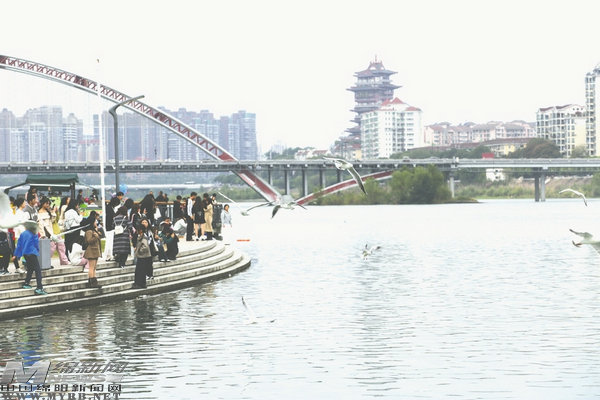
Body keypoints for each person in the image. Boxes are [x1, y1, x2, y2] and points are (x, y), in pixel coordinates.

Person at [14, 221, 47, 295]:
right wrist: (37, 250)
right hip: (32, 252)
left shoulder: (23, 234)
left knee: (30, 268)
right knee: (38, 270)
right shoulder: (34, 233)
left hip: (25, 253)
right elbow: (36, 244)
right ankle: (39, 287)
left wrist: (17, 255)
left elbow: (19, 245)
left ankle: (26, 282)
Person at [37, 197, 69, 266]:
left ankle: (63, 261)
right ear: (43, 203)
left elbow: (53, 220)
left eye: (49, 203)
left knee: (60, 246)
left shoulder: (48, 211)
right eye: (46, 203)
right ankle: (45, 262)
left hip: (52, 232)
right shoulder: (39, 213)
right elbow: (40, 225)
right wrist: (43, 234)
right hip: (46, 233)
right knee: (50, 249)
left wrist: (54, 212)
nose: (48, 205)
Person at [82, 212, 103, 289]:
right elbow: (89, 241)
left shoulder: (94, 231)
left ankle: (92, 281)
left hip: (95, 251)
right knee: (91, 267)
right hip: (91, 251)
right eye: (94, 221)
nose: (96, 223)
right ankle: (92, 282)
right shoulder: (88, 231)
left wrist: (97, 234)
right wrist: (95, 237)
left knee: (94, 267)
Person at [133, 219, 152, 289]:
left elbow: (145, 246)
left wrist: (139, 251)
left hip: (142, 256)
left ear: (140, 230)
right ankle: (142, 284)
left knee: (139, 271)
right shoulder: (142, 236)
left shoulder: (143, 237)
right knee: (142, 271)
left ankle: (139, 283)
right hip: (144, 256)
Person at [103, 196, 121, 261]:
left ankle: (109, 255)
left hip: (109, 227)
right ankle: (108, 255)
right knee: (109, 242)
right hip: (109, 227)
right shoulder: (109, 208)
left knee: (109, 242)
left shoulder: (109, 207)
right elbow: (110, 218)